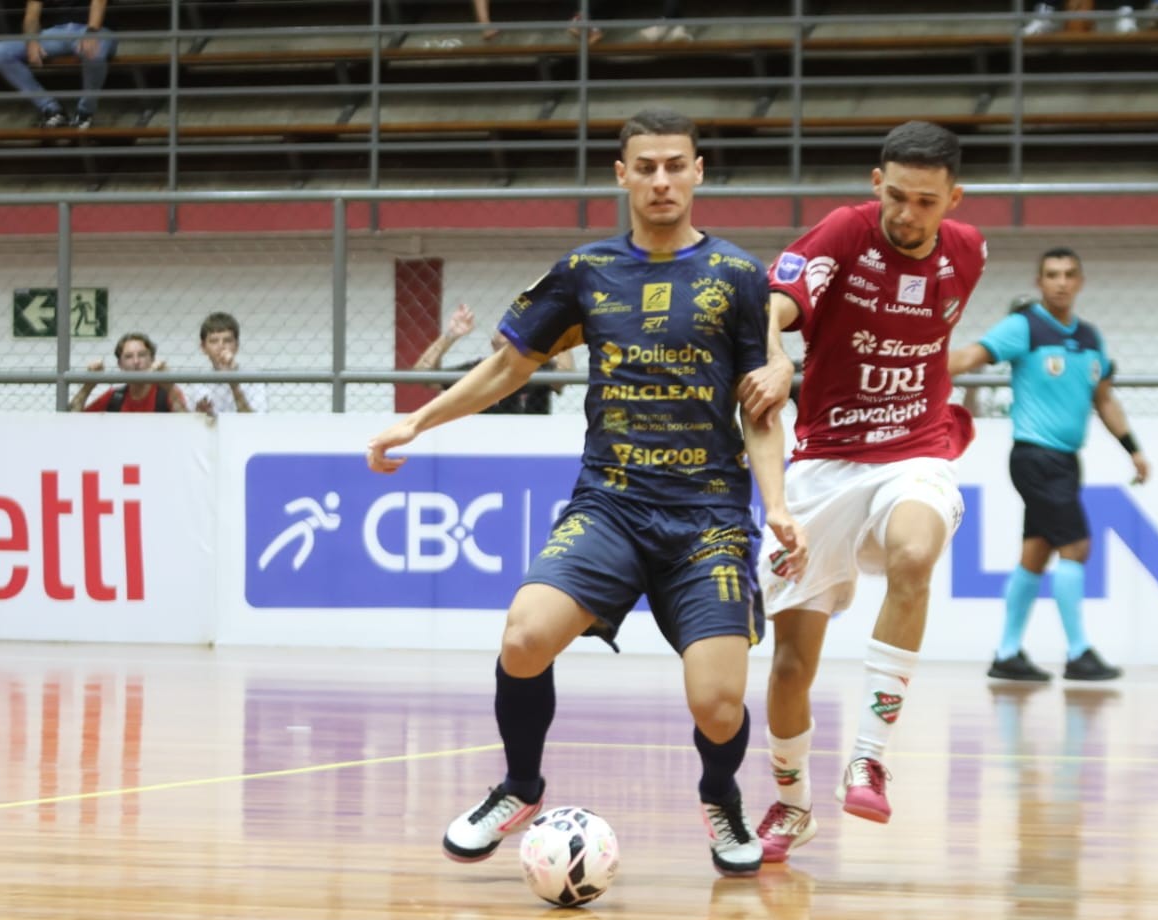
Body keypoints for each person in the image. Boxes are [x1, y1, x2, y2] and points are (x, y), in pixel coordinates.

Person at [365, 108, 807, 877]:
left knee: (719, 704)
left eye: (676, 164)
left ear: (699, 171)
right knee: (523, 636)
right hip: (610, 504)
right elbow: (508, 365)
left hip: (707, 518)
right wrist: (420, 419)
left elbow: (759, 408)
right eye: (646, 166)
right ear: (622, 175)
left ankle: (719, 793)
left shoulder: (739, 276)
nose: (661, 179)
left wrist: (775, 507)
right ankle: (520, 786)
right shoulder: (586, 271)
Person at [736, 120, 988, 860]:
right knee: (790, 663)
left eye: (926, 201)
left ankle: (869, 756)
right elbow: (771, 298)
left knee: (915, 555)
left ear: (953, 199)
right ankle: (790, 804)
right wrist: (778, 357)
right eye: (898, 195)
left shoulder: (968, 251)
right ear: (876, 181)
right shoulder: (845, 233)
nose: (908, 214)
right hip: (824, 461)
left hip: (915, 450)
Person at [952, 247, 1149, 684]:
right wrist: (914, 370)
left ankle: (1007, 653)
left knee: (1036, 553)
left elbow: (1104, 400)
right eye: (1052, 274)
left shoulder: (1091, 339)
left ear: (1080, 281)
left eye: (1069, 274)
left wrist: (1132, 448)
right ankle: (1079, 652)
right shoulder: (1025, 327)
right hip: (1035, 456)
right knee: (1076, 546)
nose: (1061, 282)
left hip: (1064, 459)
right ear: (1040, 282)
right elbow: (969, 357)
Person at [412, 303, 575, 414]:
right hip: (484, 442)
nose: (508, 331)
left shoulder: (536, 366)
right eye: (504, 326)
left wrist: (556, 329)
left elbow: (565, 375)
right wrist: (450, 335)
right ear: (492, 342)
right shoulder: (477, 368)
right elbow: (422, 375)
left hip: (530, 442)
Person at [0, 1, 115, 129]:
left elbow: (99, 2)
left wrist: (92, 32)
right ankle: (51, 109)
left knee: (95, 53)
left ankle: (85, 112)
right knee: (1, 52)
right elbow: (32, 15)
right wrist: (31, 40)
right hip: (55, 32)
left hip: (95, 29)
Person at [70, 331, 188, 412]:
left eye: (141, 355)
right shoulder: (115, 397)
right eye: (128, 356)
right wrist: (87, 386)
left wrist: (170, 388)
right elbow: (70, 421)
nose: (136, 362)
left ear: (152, 360)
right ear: (120, 365)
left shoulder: (166, 394)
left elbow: (188, 428)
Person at [182, 312, 267, 415]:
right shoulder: (195, 383)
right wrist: (199, 413)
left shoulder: (254, 379)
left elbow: (256, 424)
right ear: (203, 347)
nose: (221, 346)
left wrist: (234, 385)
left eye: (227, 340)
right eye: (213, 341)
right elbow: (186, 423)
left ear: (236, 346)